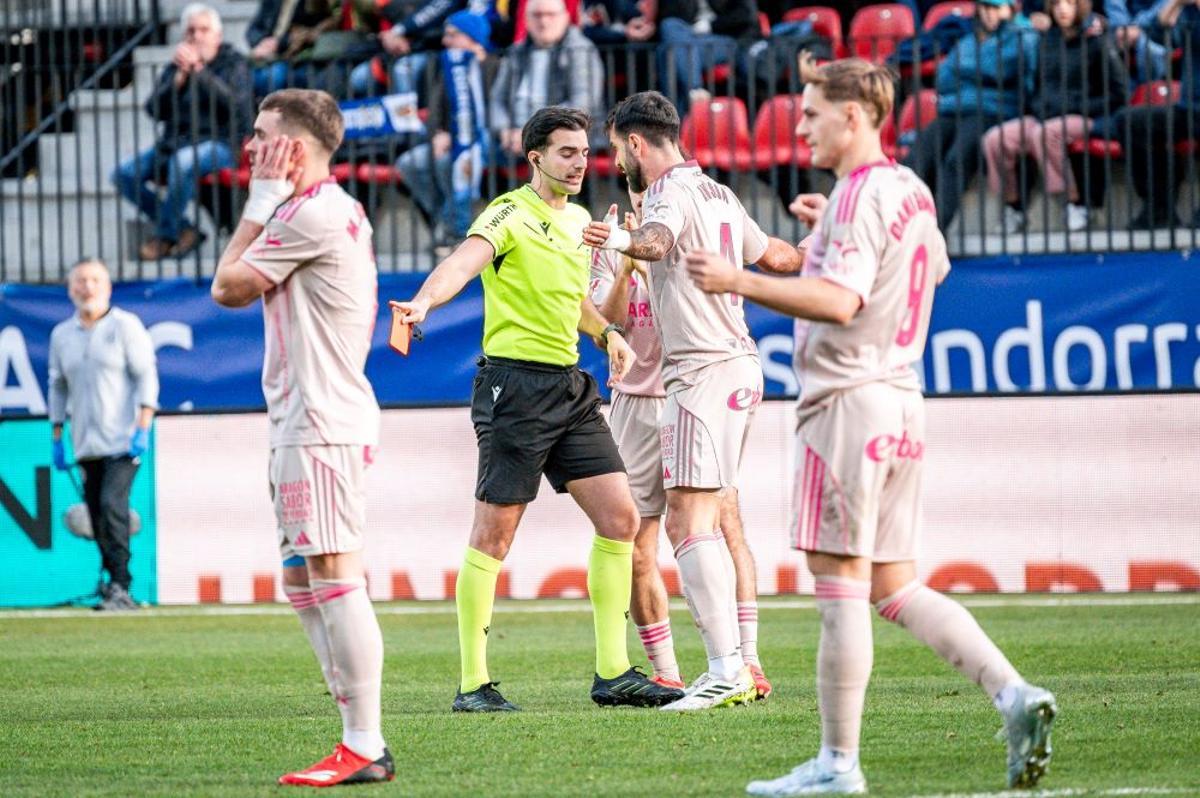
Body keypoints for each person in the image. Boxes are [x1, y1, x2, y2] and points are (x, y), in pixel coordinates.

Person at [685, 56, 1057, 795]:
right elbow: (935, 267)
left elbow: (839, 302)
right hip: (900, 403)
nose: (800, 127)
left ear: (853, 117)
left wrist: (741, 280)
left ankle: (837, 764)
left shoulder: (859, 193)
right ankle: (1013, 695)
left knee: (840, 587)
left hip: (848, 406)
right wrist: (829, 235)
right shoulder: (909, 189)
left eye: (812, 112)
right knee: (894, 586)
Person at [390, 106, 685, 713]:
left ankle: (612, 673)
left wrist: (607, 335)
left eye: (583, 153)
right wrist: (424, 303)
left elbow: (575, 300)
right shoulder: (507, 212)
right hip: (514, 389)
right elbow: (462, 263)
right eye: (565, 153)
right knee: (494, 538)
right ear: (535, 159)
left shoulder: (579, 220)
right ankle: (473, 684)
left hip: (570, 388)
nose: (579, 164)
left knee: (621, 520)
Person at [582, 91, 804, 711]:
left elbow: (654, 241)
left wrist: (625, 242)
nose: (615, 163)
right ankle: (728, 666)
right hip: (735, 367)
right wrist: (829, 251)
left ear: (634, 143)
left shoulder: (668, 194)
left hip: (701, 373)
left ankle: (727, 668)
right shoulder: (720, 193)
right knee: (692, 519)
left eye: (614, 149)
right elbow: (779, 256)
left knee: (689, 523)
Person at [210, 88, 392, 787]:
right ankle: (352, 712)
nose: (251, 147)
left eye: (263, 135)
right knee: (300, 576)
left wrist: (255, 201)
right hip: (305, 418)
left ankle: (365, 741)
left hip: (321, 421)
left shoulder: (311, 212)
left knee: (335, 574)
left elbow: (226, 288)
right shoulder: (314, 209)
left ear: (298, 145)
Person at [589, 188, 772, 698]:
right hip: (635, 402)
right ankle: (666, 669)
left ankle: (746, 661)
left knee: (723, 521)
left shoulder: (700, 222)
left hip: (696, 389)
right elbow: (606, 324)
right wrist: (627, 267)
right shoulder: (613, 237)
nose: (646, 193)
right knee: (636, 539)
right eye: (639, 187)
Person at [48, 258, 158, 613]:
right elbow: (58, 386)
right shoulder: (62, 335)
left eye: (95, 279)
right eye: (80, 280)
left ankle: (122, 586)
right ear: (70, 288)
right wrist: (56, 435)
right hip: (85, 443)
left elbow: (146, 376)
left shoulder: (126, 326)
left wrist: (143, 426)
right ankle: (113, 585)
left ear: (107, 287)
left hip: (124, 440)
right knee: (96, 515)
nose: (88, 287)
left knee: (113, 505)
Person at [112, 4, 251, 260]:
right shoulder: (177, 67)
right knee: (123, 174)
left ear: (217, 36)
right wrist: (178, 81)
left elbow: (238, 108)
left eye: (203, 30)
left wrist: (200, 71)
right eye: (190, 31)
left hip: (219, 143)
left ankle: (165, 236)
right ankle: (184, 229)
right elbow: (153, 109)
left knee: (183, 162)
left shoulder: (234, 63)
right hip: (174, 143)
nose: (196, 36)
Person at [982, 0, 1129, 232]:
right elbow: (1039, 86)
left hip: (1087, 116)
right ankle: (1014, 207)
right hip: (1046, 115)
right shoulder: (1046, 41)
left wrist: (1075, 105)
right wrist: (1040, 106)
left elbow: (1120, 93)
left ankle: (1074, 203)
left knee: (1046, 133)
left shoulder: (1097, 40)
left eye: (1069, 3)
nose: (1062, 8)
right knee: (995, 138)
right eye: (1057, 3)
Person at [905, 0, 1039, 230]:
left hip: (994, 110)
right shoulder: (969, 39)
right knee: (918, 156)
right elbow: (943, 78)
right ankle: (902, 228)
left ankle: (933, 232)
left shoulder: (1023, 36)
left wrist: (968, 71)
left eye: (996, 8)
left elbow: (1001, 69)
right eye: (985, 8)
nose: (989, 14)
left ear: (1010, 10)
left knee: (955, 160)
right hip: (954, 109)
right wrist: (980, 73)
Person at [396, 10, 495, 251]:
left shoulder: (496, 66)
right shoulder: (448, 67)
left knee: (446, 164)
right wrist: (438, 134)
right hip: (451, 140)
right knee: (409, 163)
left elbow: (497, 110)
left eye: (452, 35)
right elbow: (435, 110)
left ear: (472, 37)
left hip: (486, 139)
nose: (445, 41)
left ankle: (455, 229)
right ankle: (449, 221)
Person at [1105, 0, 1200, 228]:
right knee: (1131, 122)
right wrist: (1176, 3)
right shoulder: (1189, 12)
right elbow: (1159, 36)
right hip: (1190, 108)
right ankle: (1160, 208)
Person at [489, 0, 606, 163]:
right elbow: (497, 98)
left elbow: (582, 103)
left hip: (562, 136)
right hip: (513, 137)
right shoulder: (516, 51)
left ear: (565, 18)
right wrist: (504, 130)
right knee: (461, 156)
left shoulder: (580, 49)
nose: (544, 22)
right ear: (526, 19)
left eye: (550, 15)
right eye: (537, 15)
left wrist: (533, 133)